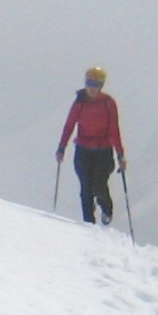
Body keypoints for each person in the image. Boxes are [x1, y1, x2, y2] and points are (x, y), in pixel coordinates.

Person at [56, 67, 124, 226]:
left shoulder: (108, 103)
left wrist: (120, 154)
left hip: (103, 150)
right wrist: (61, 147)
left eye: (95, 84)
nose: (91, 87)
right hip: (83, 149)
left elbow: (115, 129)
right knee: (86, 187)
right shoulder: (80, 102)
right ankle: (88, 225)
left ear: (101, 85)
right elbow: (69, 125)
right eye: (89, 83)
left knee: (99, 184)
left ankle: (106, 208)